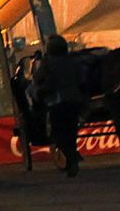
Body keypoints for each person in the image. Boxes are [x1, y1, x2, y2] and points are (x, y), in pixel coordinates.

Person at [33, 35, 86, 177]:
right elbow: (81, 78)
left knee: (59, 132)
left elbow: (37, 78)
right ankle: (72, 156)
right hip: (74, 100)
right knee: (71, 131)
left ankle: (71, 156)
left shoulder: (48, 62)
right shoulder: (72, 61)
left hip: (57, 101)